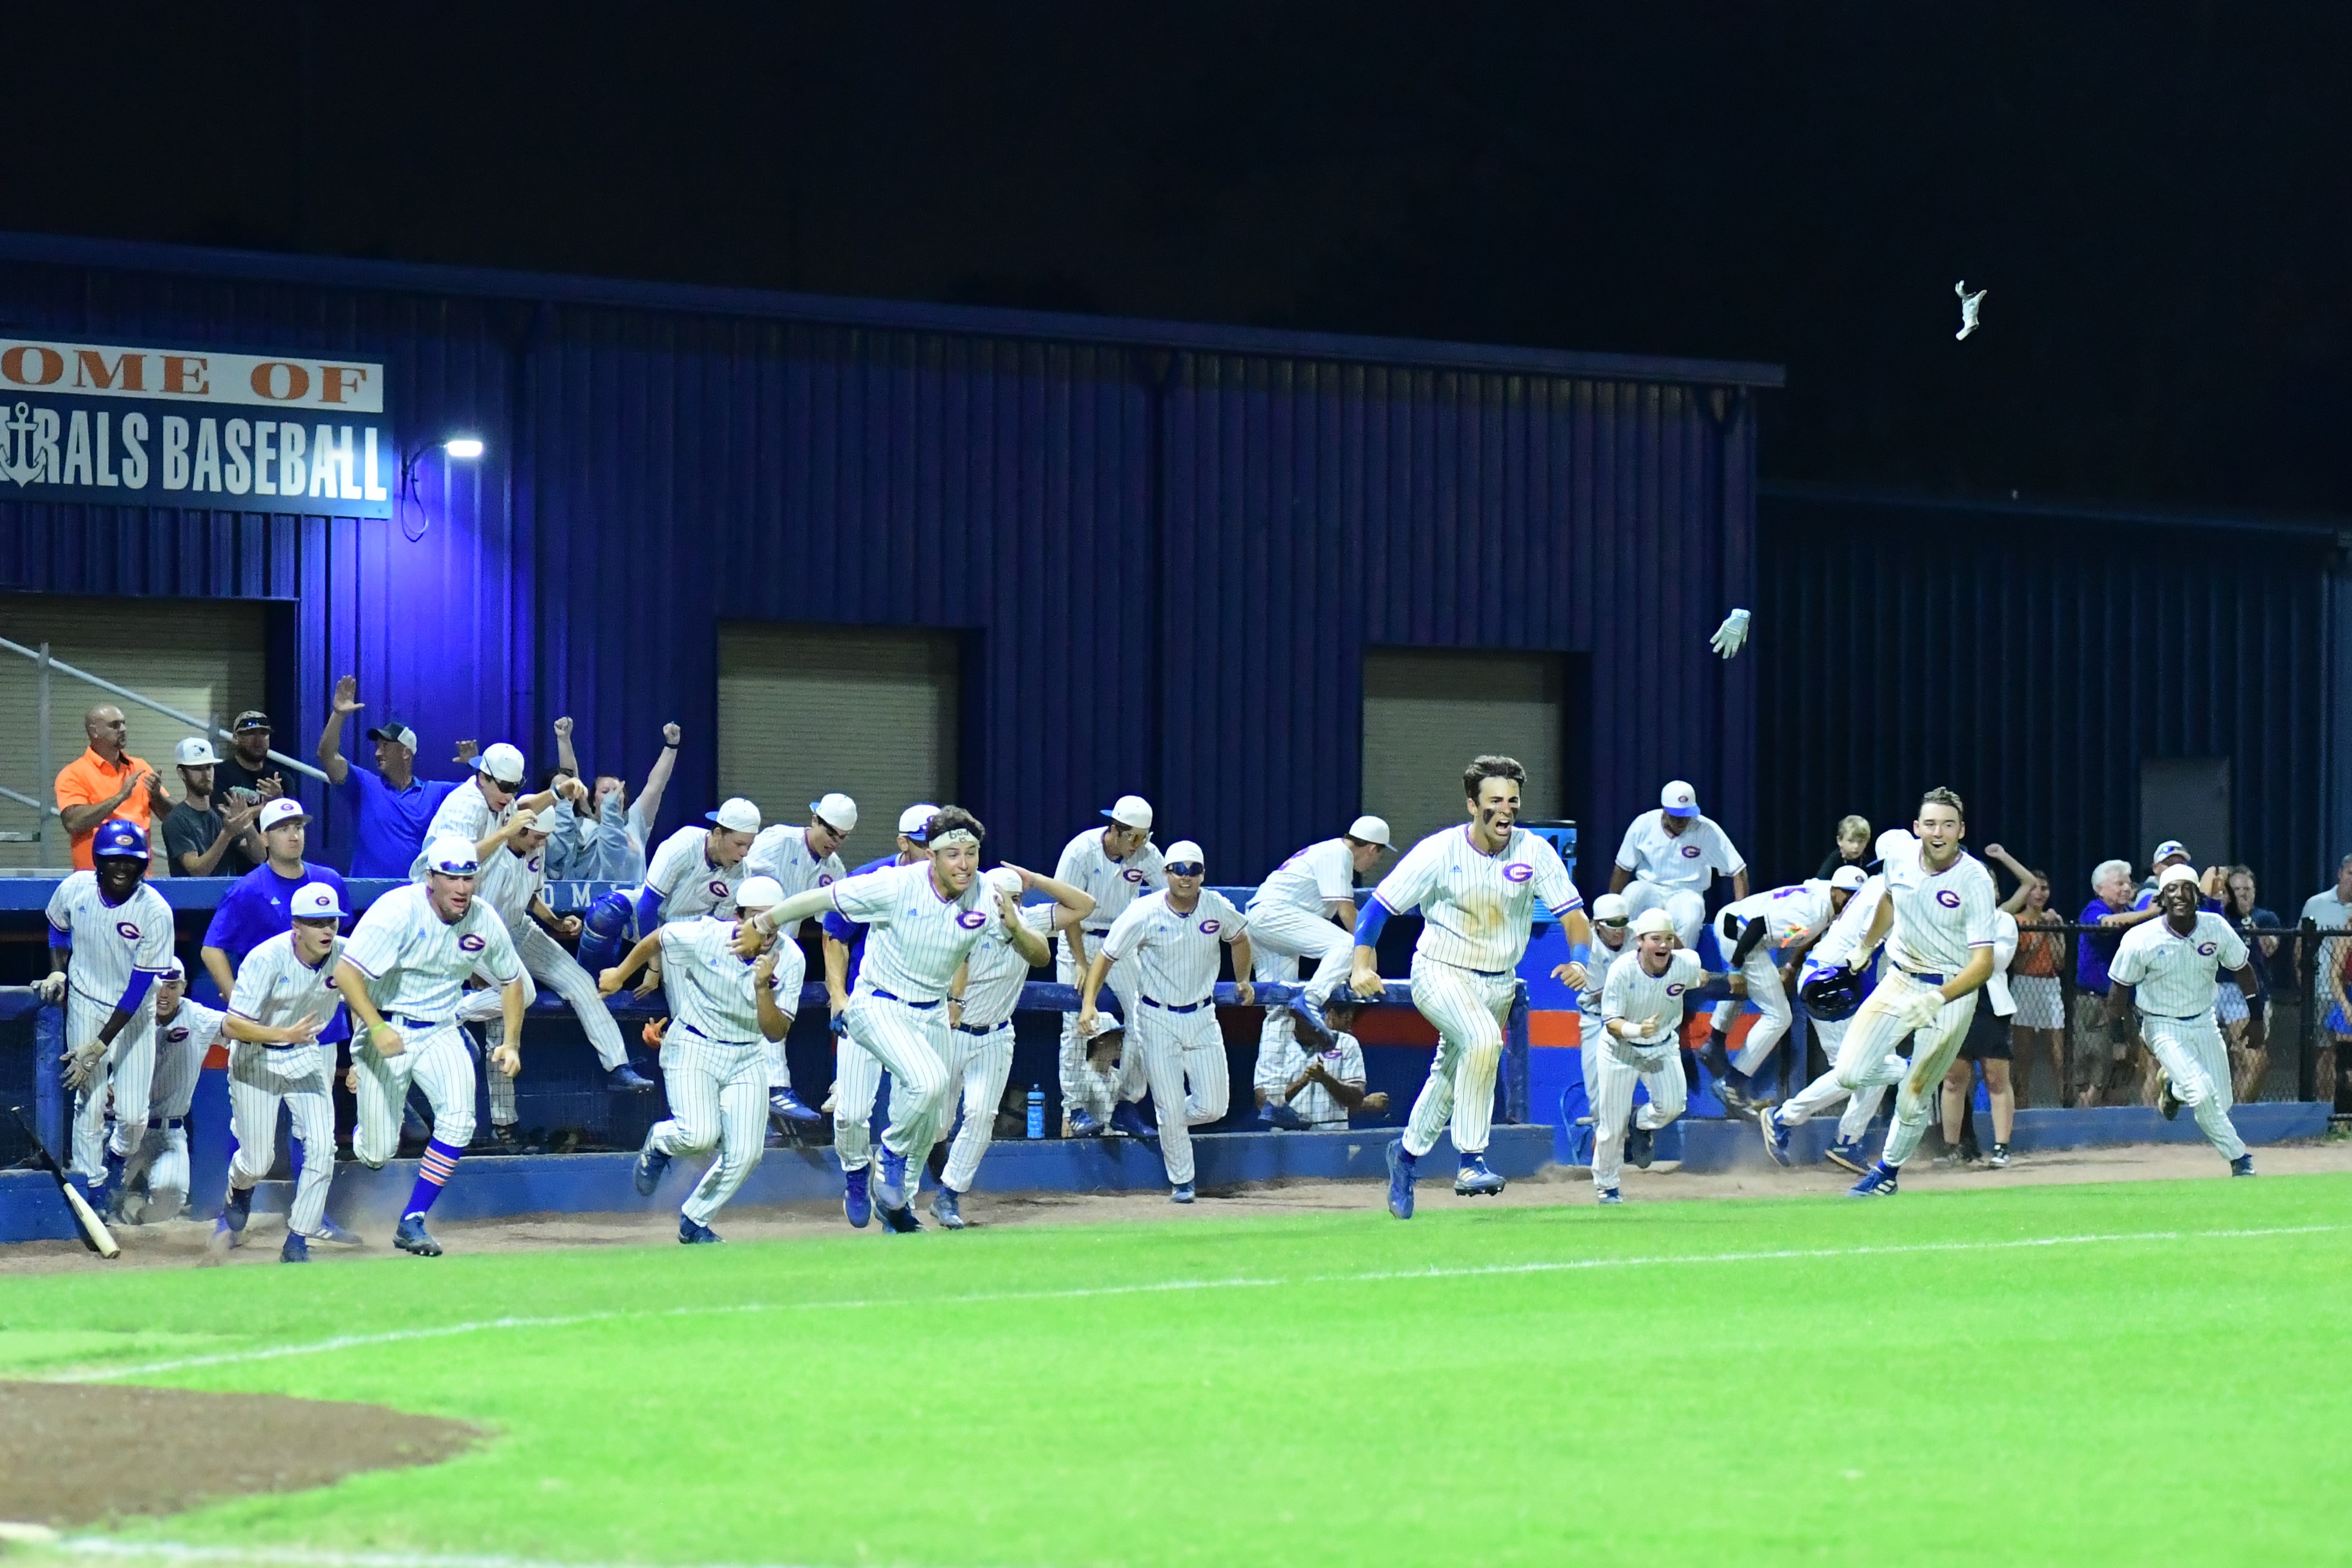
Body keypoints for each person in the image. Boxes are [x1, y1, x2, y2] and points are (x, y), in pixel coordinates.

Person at [733, 805, 1023, 1234]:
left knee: (930, 1119)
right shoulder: (885, 882)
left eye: (968, 851)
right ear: (907, 843)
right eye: (934, 847)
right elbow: (829, 923)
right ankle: (858, 1172)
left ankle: (896, 1203)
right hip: (871, 1005)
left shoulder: (977, 892)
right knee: (854, 1112)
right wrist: (835, 995)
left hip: (928, 1011)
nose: (951, 859)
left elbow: (966, 946)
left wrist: (957, 996)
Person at [1349, 755, 1593, 1217]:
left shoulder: (1535, 851)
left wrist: (1579, 960)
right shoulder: (1439, 851)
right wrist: (1363, 963)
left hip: (1498, 982)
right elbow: (1377, 910)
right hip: (1440, 971)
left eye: (1513, 801)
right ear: (1472, 804)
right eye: (1495, 801)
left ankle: (1404, 1157)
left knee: (1449, 1076)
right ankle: (1471, 1160)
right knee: (1483, 1041)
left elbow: (1575, 918)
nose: (1506, 810)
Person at [336, 834, 529, 1257]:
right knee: (376, 1153)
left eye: (469, 877)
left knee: (460, 1121)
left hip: (442, 1026)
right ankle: (368, 1107)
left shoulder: (482, 919)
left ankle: (413, 1219)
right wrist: (374, 1027)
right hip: (386, 1027)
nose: (462, 888)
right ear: (431, 879)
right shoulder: (397, 911)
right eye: (451, 878)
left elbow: (513, 981)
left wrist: (511, 1043)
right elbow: (347, 973)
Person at [1815, 789, 1999, 1198]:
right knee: (1848, 1072)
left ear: (1961, 831)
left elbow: (1983, 964)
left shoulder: (1975, 880)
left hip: (1950, 993)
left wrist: (1938, 998)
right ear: (1917, 828)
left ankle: (1887, 1173)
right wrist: (1865, 947)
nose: (1938, 832)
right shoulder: (1899, 858)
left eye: (1948, 824)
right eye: (1930, 824)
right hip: (1899, 979)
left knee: (1913, 1099)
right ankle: (1911, 1069)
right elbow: (1890, 900)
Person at [598, 876, 799, 1243]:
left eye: (773, 919)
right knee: (698, 1135)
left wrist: (763, 989)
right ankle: (660, 1141)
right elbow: (658, 937)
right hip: (694, 1044)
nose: (766, 928)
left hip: (747, 1053)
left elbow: (775, 1032)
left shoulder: (791, 958)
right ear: (738, 917)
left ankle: (695, 1221)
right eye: (757, 918)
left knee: (746, 1152)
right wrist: (620, 974)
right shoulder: (708, 936)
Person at [454, 806, 654, 1142]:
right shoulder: (491, 854)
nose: (541, 843)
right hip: (482, 938)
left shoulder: (537, 848)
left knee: (579, 982)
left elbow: (530, 896)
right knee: (512, 1007)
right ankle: (505, 1125)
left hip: (519, 929)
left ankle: (619, 1067)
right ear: (519, 830)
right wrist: (475, 967)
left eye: (544, 838)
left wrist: (556, 922)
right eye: (536, 837)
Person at [1078, 839, 1256, 1203]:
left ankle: (1168, 1122)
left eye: (1194, 870)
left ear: (1203, 874)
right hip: (1156, 1017)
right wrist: (1089, 1004)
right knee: (1170, 1105)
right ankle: (1183, 1182)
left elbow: (1239, 938)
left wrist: (1244, 979)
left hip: (1204, 1015)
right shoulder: (1143, 911)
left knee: (1213, 1106)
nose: (1186, 878)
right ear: (1166, 873)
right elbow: (1106, 956)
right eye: (1178, 870)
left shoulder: (1216, 907)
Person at [931, 865, 1092, 1227]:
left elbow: (1084, 907)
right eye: (1005, 897)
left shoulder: (1029, 921)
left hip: (997, 1035)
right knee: (937, 1123)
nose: (1011, 904)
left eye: (1018, 898)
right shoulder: (966, 920)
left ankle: (949, 1197)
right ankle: (930, 1158)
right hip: (952, 1031)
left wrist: (1034, 880)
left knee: (982, 1115)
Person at [211, 882, 362, 1263]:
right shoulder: (266, 959)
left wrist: (359, 1058)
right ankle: (239, 1188)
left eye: (331, 921)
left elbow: (362, 1000)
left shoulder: (345, 955)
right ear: (296, 925)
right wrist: (283, 1033)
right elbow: (232, 1027)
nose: (327, 930)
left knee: (322, 1149)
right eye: (316, 923)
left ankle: (298, 1240)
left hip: (305, 1058)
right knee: (257, 1161)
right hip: (255, 1058)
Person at [40, 819, 174, 1218]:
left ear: (142, 865)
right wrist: (58, 968)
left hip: (132, 1014)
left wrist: (99, 1045)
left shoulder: (155, 911)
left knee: (133, 1116)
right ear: (99, 859)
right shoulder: (75, 888)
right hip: (84, 1000)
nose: (121, 868)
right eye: (113, 859)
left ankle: (117, 1161)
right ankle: (92, 1186)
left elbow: (137, 987)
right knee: (90, 1101)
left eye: (130, 862)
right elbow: (57, 925)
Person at [1759, 833, 1911, 1173]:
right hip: (1831, 982)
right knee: (1855, 1071)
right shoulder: (1882, 894)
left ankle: (1847, 1140)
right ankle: (1784, 1118)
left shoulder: (1882, 888)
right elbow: (1869, 954)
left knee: (1873, 1068)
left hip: (1838, 981)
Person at [2106, 864, 2263, 1176]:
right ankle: (2239, 1158)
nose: (2180, 895)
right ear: (2163, 898)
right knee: (2202, 1092)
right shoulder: (2141, 938)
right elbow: (2118, 992)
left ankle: (2174, 1090)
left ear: (2197, 895)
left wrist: (2256, 1016)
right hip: (2162, 1025)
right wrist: (2119, 1038)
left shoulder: (2215, 926)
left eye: (2187, 888)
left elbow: (2242, 969)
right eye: (2172, 889)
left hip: (2205, 1020)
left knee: (2223, 1100)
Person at [1246, 817, 1392, 1121]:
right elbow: (1347, 912)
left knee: (1278, 1010)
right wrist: (1368, 956)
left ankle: (1274, 1103)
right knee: (1346, 947)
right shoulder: (1338, 854)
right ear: (1372, 849)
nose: (1377, 860)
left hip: (1264, 920)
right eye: (1379, 853)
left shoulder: (1328, 852)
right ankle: (1311, 1000)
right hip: (1276, 916)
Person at [1591, 909, 1737, 1204]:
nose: (1664, 945)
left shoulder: (1686, 964)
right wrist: (1637, 1030)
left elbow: (1705, 977)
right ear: (1639, 942)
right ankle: (1607, 1187)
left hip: (1662, 1047)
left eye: (1669, 938)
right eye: (1655, 939)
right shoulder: (1621, 971)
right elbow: (1612, 1024)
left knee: (1672, 1107)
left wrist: (1753, 985)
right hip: (1620, 1051)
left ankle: (1641, 1122)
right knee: (1611, 1127)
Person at [1052, 795, 1167, 1137]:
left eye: (1144, 837)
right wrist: (1080, 962)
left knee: (1143, 1018)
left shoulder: (1147, 854)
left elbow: (1167, 894)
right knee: (1074, 1024)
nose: (1139, 844)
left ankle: (1126, 1105)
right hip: (1079, 935)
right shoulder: (1081, 852)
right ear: (1115, 830)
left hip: (1119, 940)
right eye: (1133, 837)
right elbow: (1066, 907)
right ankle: (1073, 1109)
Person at [744, 791, 858, 1126]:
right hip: (743, 939)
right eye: (831, 832)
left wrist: (834, 984)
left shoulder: (834, 869)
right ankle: (775, 1091)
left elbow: (831, 931)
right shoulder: (779, 840)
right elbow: (741, 886)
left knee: (771, 1022)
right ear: (814, 820)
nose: (835, 842)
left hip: (779, 953)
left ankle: (769, 1102)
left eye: (843, 837)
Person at [1699, 871, 1855, 1111]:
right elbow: (1758, 926)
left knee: (1756, 989)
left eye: (1856, 896)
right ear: (1835, 890)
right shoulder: (1812, 913)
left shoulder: (1825, 899)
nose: (1851, 900)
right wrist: (1735, 969)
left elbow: (1811, 934)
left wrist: (1791, 966)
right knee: (1780, 1016)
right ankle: (1731, 1084)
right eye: (1848, 894)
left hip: (1738, 923)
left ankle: (1715, 1043)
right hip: (1741, 934)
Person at [574, 796, 760, 977]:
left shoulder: (742, 875)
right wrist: (653, 964)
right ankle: (588, 986)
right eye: (739, 844)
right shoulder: (685, 844)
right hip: (648, 918)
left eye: (749, 845)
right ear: (718, 834)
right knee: (604, 913)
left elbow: (716, 934)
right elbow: (648, 904)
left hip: (684, 939)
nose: (745, 853)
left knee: (685, 1002)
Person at [199, 799, 352, 1002]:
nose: (294, 836)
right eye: (283, 829)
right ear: (265, 838)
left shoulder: (330, 881)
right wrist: (235, 997)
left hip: (326, 1011)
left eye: (298, 828)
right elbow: (211, 949)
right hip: (273, 1013)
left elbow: (349, 942)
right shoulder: (248, 889)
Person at [315, 676, 462, 878]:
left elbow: (482, 792)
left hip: (414, 900)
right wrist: (338, 715)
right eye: (377, 747)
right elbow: (327, 755)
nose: (377, 753)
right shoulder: (364, 785)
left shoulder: (435, 793)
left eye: (385, 746)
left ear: (406, 753)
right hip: (366, 902)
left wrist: (476, 762)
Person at [121, 959, 226, 1225]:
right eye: (158, 986)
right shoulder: (127, 1013)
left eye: (171, 986)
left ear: (183, 987)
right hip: (121, 1128)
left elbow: (235, 1026)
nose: (163, 993)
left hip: (167, 1131)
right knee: (98, 1193)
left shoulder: (198, 1018)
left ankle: (137, 1219)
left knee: (172, 1197)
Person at [411, 742, 580, 881]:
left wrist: (558, 792)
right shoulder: (466, 804)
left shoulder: (497, 798)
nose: (509, 796)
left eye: (515, 788)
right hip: (433, 899)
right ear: (483, 778)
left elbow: (520, 809)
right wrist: (506, 832)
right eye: (505, 787)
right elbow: (460, 861)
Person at [1609, 780, 1747, 950]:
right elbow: (1622, 869)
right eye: (1676, 816)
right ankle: (1627, 963)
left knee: (1691, 914)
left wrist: (1742, 913)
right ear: (1664, 810)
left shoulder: (1706, 830)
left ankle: (1681, 970)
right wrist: (1611, 908)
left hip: (1687, 892)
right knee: (1632, 895)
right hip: (1649, 886)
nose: (1682, 821)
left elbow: (1738, 869)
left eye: (1686, 815)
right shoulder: (1644, 824)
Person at [547, 717, 680, 882]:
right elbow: (570, 781)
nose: (613, 795)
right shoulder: (585, 825)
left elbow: (656, 786)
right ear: (594, 800)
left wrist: (671, 746)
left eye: (617, 791)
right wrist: (563, 739)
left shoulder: (635, 822)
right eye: (605, 791)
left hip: (631, 906)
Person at [1940, 899, 2021, 1169]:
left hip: (1989, 1004)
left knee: (1996, 1078)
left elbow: (1995, 961)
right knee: (1953, 1078)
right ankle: (1954, 1148)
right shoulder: (1948, 917)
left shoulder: (2003, 921)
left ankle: (2002, 1148)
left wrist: (1964, 947)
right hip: (1954, 1000)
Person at [1983, 845, 2066, 1107]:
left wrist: (2055, 931)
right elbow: (2020, 962)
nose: (2040, 893)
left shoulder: (2054, 919)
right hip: (2025, 985)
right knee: (2024, 1054)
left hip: (2050, 985)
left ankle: (2063, 1103)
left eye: (2045, 888)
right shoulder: (2014, 920)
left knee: (2059, 1053)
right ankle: (2022, 1104)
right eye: (2035, 888)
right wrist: (2041, 930)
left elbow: (2061, 961)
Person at [55, 704, 172, 871]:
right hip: (93, 881)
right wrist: (119, 798)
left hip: (139, 879)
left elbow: (173, 818)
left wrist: (157, 797)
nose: (123, 729)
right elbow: (73, 823)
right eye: (115, 725)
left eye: (124, 723)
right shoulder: (74, 773)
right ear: (94, 732)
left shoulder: (140, 767)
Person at [1264, 994, 1388, 1130]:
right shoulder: (1278, 1045)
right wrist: (1302, 1082)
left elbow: (1356, 1098)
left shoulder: (1345, 1043)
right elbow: (1265, 1103)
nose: (1297, 1026)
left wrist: (1325, 1079)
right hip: (1288, 1140)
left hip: (1333, 1139)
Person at [2075, 858, 2141, 1106]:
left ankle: (2116, 1134)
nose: (2126, 888)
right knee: (2096, 1070)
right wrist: (2147, 914)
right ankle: (2085, 1131)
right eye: (2119, 884)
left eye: (2129, 883)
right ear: (2100, 889)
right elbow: (2105, 926)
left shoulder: (2133, 913)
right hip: (2095, 1003)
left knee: (2124, 1068)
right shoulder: (2094, 909)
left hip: (2126, 1004)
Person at [2215, 866, 2279, 1100]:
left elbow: (2271, 950)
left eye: (2248, 889)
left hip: (2245, 992)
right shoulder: (2218, 917)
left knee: (2253, 1060)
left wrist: (2253, 927)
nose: (2243, 894)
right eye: (2237, 890)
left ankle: (2238, 1110)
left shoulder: (2264, 917)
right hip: (2212, 988)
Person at [160, 736, 263, 878]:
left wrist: (247, 823)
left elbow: (259, 857)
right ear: (182, 774)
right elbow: (197, 871)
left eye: (209, 767)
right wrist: (227, 834)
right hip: (192, 899)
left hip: (227, 897)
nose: (206, 775)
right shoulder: (176, 820)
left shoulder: (222, 814)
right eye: (197, 769)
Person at [2298, 854, 2352, 1110]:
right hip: (2321, 992)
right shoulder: (2316, 904)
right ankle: (2324, 1109)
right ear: (2340, 874)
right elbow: (2301, 949)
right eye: (2351, 874)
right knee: (2323, 1054)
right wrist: (2304, 986)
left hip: (2346, 990)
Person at [214, 711, 289, 800]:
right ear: (235, 738)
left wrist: (279, 798)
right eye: (251, 733)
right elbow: (221, 812)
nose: (258, 739)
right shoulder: (219, 774)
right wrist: (271, 804)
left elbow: (294, 812)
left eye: (263, 733)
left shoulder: (282, 780)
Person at [1816, 814, 1872, 881]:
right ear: (1839, 840)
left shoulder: (1870, 861)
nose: (1856, 846)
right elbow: (1818, 885)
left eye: (1861, 841)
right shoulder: (1833, 862)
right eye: (1851, 841)